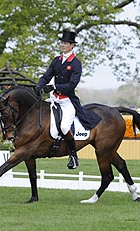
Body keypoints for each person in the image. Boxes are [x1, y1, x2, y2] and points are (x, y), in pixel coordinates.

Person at [36, 30, 101, 169]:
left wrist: (53, 86)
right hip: (54, 99)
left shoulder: (76, 63)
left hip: (67, 101)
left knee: (64, 126)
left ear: (72, 45)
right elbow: (47, 76)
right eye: (62, 42)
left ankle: (73, 156)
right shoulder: (56, 60)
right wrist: (39, 85)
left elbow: (72, 85)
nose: (63, 45)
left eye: (65, 43)